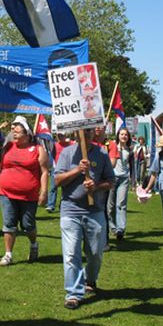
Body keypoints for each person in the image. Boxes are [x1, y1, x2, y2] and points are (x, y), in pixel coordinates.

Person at [54, 128, 114, 309]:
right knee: (72, 253)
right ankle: (73, 293)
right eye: (82, 132)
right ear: (75, 134)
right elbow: (57, 180)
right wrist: (77, 170)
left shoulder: (102, 154)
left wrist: (95, 187)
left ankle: (91, 279)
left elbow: (111, 181)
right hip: (70, 210)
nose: (86, 134)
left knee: (95, 253)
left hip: (94, 211)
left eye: (89, 131)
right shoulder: (67, 153)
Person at [0, 115, 49, 267]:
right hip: (6, 193)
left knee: (28, 225)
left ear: (26, 131)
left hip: (29, 195)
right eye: (12, 127)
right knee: (9, 223)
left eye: (17, 126)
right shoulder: (8, 146)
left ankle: (33, 244)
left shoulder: (38, 149)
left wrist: (43, 192)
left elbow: (44, 171)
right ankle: (8, 254)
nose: (13, 129)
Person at [106, 127, 134, 242]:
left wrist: (134, 181)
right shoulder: (111, 147)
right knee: (110, 205)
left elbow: (132, 167)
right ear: (118, 136)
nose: (123, 136)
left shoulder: (130, 150)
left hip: (123, 179)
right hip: (112, 178)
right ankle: (112, 226)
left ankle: (120, 229)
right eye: (122, 134)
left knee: (121, 204)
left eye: (126, 135)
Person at [46, 132, 75, 213]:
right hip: (55, 169)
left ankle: (63, 205)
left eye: (61, 135)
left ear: (65, 136)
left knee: (65, 188)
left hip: (67, 169)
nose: (60, 137)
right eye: (58, 136)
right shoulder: (54, 145)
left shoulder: (71, 144)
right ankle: (51, 205)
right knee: (53, 187)